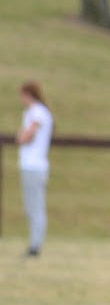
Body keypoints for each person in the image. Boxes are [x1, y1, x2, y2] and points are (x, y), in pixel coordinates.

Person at [16, 81, 54, 258]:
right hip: (29, 165)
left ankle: (35, 245)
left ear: (28, 94)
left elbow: (27, 136)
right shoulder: (32, 112)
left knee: (36, 206)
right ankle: (33, 242)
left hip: (34, 165)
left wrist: (22, 136)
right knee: (31, 206)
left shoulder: (38, 112)